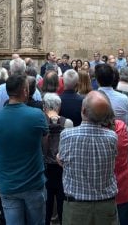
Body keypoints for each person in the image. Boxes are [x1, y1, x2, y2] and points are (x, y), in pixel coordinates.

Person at [0, 74, 48, 225]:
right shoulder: (37, 115)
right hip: (33, 181)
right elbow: (43, 140)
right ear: (25, 91)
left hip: (8, 183)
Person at [58, 91, 118, 225]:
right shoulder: (112, 138)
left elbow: (62, 159)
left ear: (83, 110)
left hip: (76, 207)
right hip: (105, 206)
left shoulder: (67, 135)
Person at [42, 93, 73, 225]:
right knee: (62, 201)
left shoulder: (41, 123)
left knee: (47, 202)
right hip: (62, 167)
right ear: (59, 106)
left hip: (45, 167)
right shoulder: (68, 123)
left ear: (44, 107)